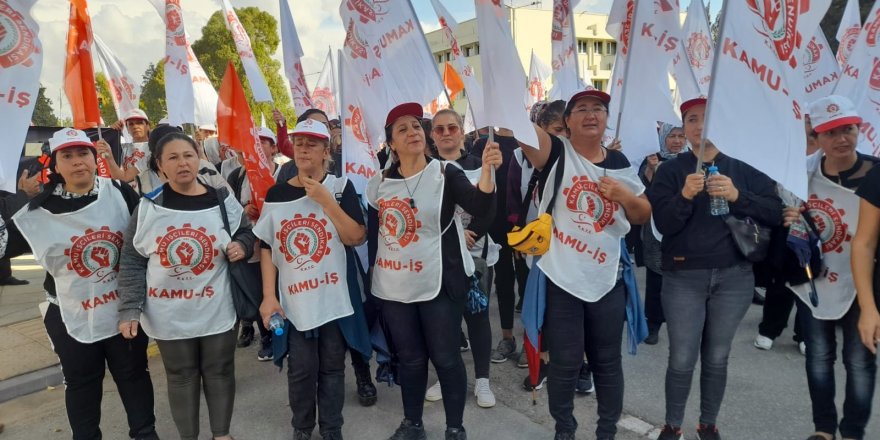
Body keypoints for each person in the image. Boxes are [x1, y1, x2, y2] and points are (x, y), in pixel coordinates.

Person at [517, 89, 651, 440]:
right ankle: (565, 430)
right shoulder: (556, 152)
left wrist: (623, 196)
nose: (591, 115)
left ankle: (607, 431)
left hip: (606, 277)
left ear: (606, 119)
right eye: (582, 109)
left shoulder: (620, 163)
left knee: (607, 364)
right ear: (568, 121)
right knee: (564, 363)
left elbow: (642, 213)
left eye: (599, 109)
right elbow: (519, 126)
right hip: (561, 278)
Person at [649, 97, 782, 440]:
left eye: (708, 119)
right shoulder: (671, 170)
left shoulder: (744, 167)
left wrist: (739, 196)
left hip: (734, 278)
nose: (700, 126)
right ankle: (672, 425)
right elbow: (662, 225)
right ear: (684, 127)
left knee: (717, 357)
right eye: (692, 119)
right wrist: (684, 196)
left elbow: (774, 212)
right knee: (681, 358)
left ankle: (708, 424)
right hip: (683, 277)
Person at [11, 128, 157, 440]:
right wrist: (20, 198)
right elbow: (4, 245)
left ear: (94, 158)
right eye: (68, 156)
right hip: (68, 311)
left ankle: (145, 433)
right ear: (55, 164)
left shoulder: (118, 190)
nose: (78, 162)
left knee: (133, 375)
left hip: (123, 307)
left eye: (83, 154)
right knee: (81, 382)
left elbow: (150, 230)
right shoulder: (39, 205)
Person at [367, 102, 501, 440]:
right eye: (403, 129)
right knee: (410, 359)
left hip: (439, 282)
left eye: (416, 126)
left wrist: (487, 173)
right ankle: (413, 424)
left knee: (445, 357)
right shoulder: (379, 182)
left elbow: (480, 206)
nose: (413, 132)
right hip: (395, 287)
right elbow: (374, 237)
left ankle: (454, 427)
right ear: (391, 144)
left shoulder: (445, 174)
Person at [118, 133, 256, 440]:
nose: (183, 163)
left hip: (216, 306)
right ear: (160, 166)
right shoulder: (148, 208)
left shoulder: (221, 200)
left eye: (188, 155)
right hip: (168, 312)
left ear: (199, 158)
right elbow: (131, 260)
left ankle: (221, 434)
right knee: (181, 376)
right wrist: (129, 308)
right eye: (173, 158)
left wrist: (242, 246)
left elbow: (247, 233)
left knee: (220, 370)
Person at [255, 118, 371, 440]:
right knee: (301, 370)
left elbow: (356, 237)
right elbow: (267, 247)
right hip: (295, 301)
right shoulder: (276, 193)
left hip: (333, 299)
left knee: (333, 367)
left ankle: (332, 428)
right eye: (299, 142)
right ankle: (302, 428)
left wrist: (325, 200)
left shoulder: (340, 187)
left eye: (313, 142)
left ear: (326, 151)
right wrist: (268, 297)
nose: (304, 148)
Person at [787, 96, 878, 440]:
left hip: (862, 282)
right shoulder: (799, 173)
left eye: (848, 130)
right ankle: (823, 428)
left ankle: (853, 430)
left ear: (859, 129)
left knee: (860, 360)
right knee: (819, 357)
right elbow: (781, 215)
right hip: (814, 280)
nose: (841, 139)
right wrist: (789, 220)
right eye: (830, 133)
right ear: (818, 137)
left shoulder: (876, 172)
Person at [423, 109, 497, 408]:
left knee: (477, 318)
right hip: (440, 260)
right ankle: (449, 375)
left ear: (462, 131)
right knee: (446, 322)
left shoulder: (480, 166)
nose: (445, 133)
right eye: (439, 129)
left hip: (476, 255)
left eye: (451, 127)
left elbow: (490, 207)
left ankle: (482, 381)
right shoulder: (425, 169)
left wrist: (473, 234)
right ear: (432, 135)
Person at [752, 116, 819, 354]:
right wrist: (783, 211)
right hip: (784, 229)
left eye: (813, 132)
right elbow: (765, 193)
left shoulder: (826, 160)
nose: (808, 137)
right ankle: (769, 329)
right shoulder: (782, 156)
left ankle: (804, 333)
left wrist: (808, 214)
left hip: (816, 232)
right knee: (778, 282)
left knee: (811, 282)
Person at [228, 127, 281, 360]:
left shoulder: (285, 171)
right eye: (253, 143)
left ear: (273, 147)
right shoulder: (238, 177)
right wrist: (244, 209)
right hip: (254, 244)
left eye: (263, 143)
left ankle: (285, 335)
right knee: (260, 291)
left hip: (281, 242)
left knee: (280, 288)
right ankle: (268, 336)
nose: (258, 148)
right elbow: (229, 210)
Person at [639, 123, 687, 345]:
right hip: (657, 229)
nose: (677, 141)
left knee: (684, 280)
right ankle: (653, 323)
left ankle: (683, 324)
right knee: (656, 278)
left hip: (685, 229)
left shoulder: (694, 162)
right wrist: (650, 170)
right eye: (672, 136)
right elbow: (640, 193)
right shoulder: (651, 159)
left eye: (681, 136)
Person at [277, 109, 332, 182]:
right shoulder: (287, 171)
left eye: (325, 125)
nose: (303, 150)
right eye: (299, 144)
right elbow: (284, 146)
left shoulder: (343, 184)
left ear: (326, 152)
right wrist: (281, 126)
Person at [105, 109, 152, 185]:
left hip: (149, 195)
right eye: (131, 124)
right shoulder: (123, 148)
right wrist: (112, 131)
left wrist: (109, 157)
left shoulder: (154, 148)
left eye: (139, 123)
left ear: (147, 126)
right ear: (127, 128)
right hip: (126, 195)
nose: (135, 126)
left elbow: (124, 178)